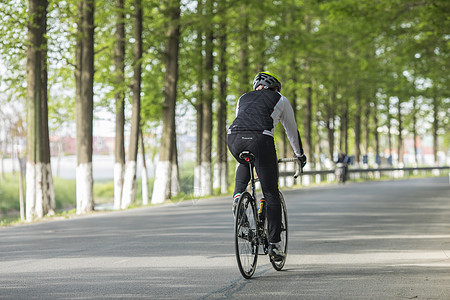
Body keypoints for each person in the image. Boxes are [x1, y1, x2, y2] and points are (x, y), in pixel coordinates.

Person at [227, 71, 307, 261]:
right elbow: (291, 131)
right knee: (271, 193)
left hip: (233, 138)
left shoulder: (242, 98)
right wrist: (299, 155)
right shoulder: (280, 99)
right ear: (276, 88)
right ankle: (274, 245)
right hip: (261, 139)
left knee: (245, 161)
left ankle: (238, 197)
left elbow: (243, 120)